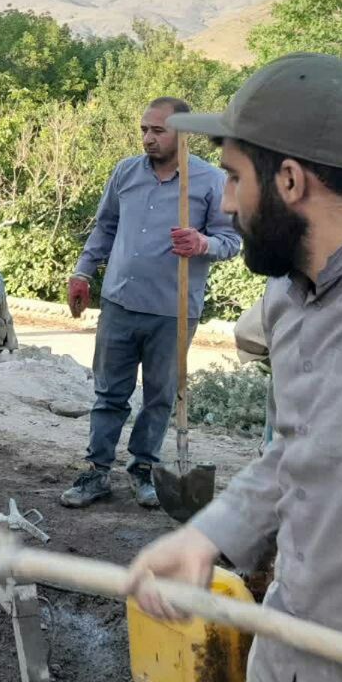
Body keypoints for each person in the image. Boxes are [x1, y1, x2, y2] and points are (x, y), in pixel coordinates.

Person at [126, 53, 342, 682]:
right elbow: (301, 447)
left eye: (231, 178)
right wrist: (210, 533)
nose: (224, 204)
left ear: (288, 179)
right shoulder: (288, 298)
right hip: (280, 659)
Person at [61, 97, 241, 509]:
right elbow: (105, 227)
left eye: (158, 130)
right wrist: (83, 272)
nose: (148, 138)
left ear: (183, 133)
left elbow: (232, 241)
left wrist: (202, 243)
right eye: (145, 129)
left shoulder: (210, 181)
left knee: (160, 396)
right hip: (120, 302)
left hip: (173, 309)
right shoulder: (126, 172)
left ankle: (144, 470)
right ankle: (96, 472)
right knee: (109, 393)